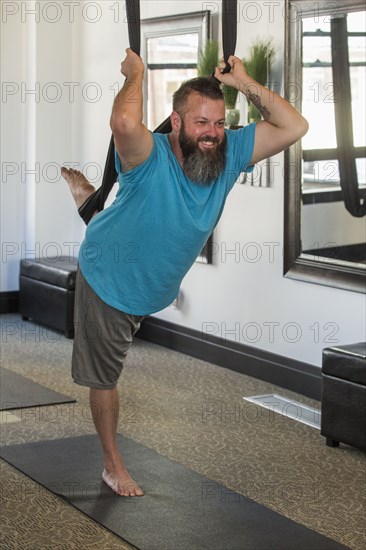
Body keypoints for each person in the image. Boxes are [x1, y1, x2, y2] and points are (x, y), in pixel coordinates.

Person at [61, 48, 308, 497]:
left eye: (218, 122)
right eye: (200, 122)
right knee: (106, 377)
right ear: (176, 123)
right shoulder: (146, 154)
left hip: (150, 276)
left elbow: (295, 127)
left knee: (112, 215)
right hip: (109, 277)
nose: (212, 133)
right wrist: (135, 73)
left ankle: (89, 201)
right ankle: (112, 465)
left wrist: (245, 83)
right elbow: (122, 124)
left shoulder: (229, 154)